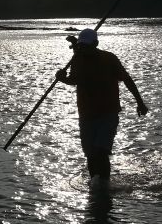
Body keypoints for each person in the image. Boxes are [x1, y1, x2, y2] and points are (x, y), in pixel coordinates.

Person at [55, 28, 148, 184]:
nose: (84, 50)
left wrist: (139, 102)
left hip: (108, 113)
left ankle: (104, 184)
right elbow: (75, 80)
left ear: (96, 44)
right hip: (86, 115)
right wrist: (62, 78)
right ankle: (95, 183)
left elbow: (126, 79)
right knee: (91, 154)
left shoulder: (109, 59)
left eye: (87, 46)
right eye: (81, 46)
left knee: (101, 151)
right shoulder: (78, 59)